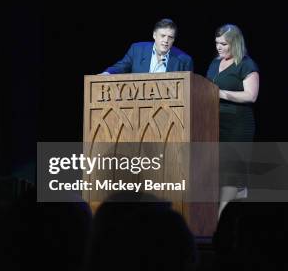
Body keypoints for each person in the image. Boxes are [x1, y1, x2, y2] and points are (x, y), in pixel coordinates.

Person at [205, 24, 259, 216]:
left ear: (235, 43)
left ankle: (222, 219)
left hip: (238, 125)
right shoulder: (214, 63)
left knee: (232, 173)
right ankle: (237, 220)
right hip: (216, 124)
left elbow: (251, 96)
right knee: (228, 175)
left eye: (224, 44)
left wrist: (221, 94)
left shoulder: (246, 64)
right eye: (217, 43)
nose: (219, 47)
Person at [101, 18, 193, 74]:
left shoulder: (184, 60)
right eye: (163, 36)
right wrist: (107, 73)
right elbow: (121, 67)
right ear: (154, 35)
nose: (166, 40)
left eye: (170, 37)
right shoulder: (137, 50)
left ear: (174, 40)